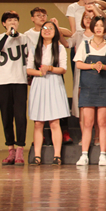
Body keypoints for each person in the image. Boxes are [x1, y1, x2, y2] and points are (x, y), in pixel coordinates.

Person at [26, 21, 70, 166]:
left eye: (50, 28)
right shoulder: (34, 49)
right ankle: (37, 155)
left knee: (54, 122)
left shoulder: (60, 48)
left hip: (54, 83)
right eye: (44, 28)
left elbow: (63, 69)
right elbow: (28, 69)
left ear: (55, 32)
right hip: (39, 83)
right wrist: (40, 72)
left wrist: (50, 68)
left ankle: (57, 155)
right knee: (38, 123)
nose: (47, 30)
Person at [74, 17, 106, 166]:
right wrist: (92, 66)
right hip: (87, 88)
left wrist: (103, 66)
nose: (98, 28)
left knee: (102, 122)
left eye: (101, 26)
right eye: (96, 25)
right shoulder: (85, 44)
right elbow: (78, 64)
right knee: (88, 122)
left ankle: (103, 155)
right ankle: (84, 154)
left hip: (104, 87)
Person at [0, 11, 28, 166]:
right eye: (9, 20)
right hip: (4, 82)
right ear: (4, 23)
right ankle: (10, 150)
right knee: (6, 116)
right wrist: (8, 34)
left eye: (15, 20)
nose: (13, 22)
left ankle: (20, 150)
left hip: (20, 81)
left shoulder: (24, 38)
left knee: (20, 116)